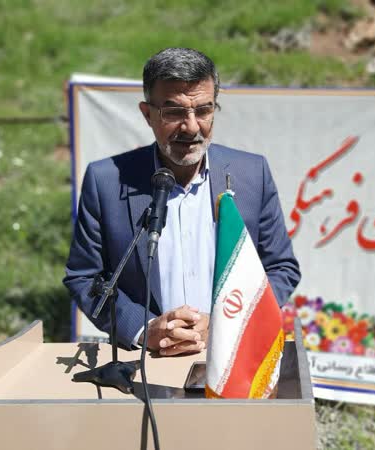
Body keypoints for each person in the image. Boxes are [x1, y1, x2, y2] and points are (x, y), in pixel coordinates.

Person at [63, 47, 300, 356]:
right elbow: (84, 277)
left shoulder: (252, 174)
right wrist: (144, 330)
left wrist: (224, 321)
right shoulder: (106, 181)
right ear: (147, 114)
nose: (191, 127)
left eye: (203, 110)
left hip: (234, 356)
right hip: (147, 359)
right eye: (174, 112)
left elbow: (281, 268)